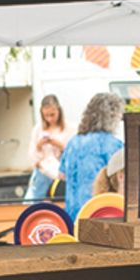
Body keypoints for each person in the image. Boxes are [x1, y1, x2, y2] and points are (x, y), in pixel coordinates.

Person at [58, 92, 123, 221]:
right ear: (112, 116)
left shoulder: (73, 142)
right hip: (99, 212)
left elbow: (62, 175)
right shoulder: (113, 145)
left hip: (73, 214)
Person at [24, 93, 69, 201]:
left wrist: (59, 145)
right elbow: (32, 153)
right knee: (35, 201)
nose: (49, 119)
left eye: (52, 114)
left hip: (62, 174)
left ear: (59, 111)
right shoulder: (37, 129)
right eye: (46, 116)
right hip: (43, 171)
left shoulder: (69, 128)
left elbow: (73, 152)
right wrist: (39, 146)